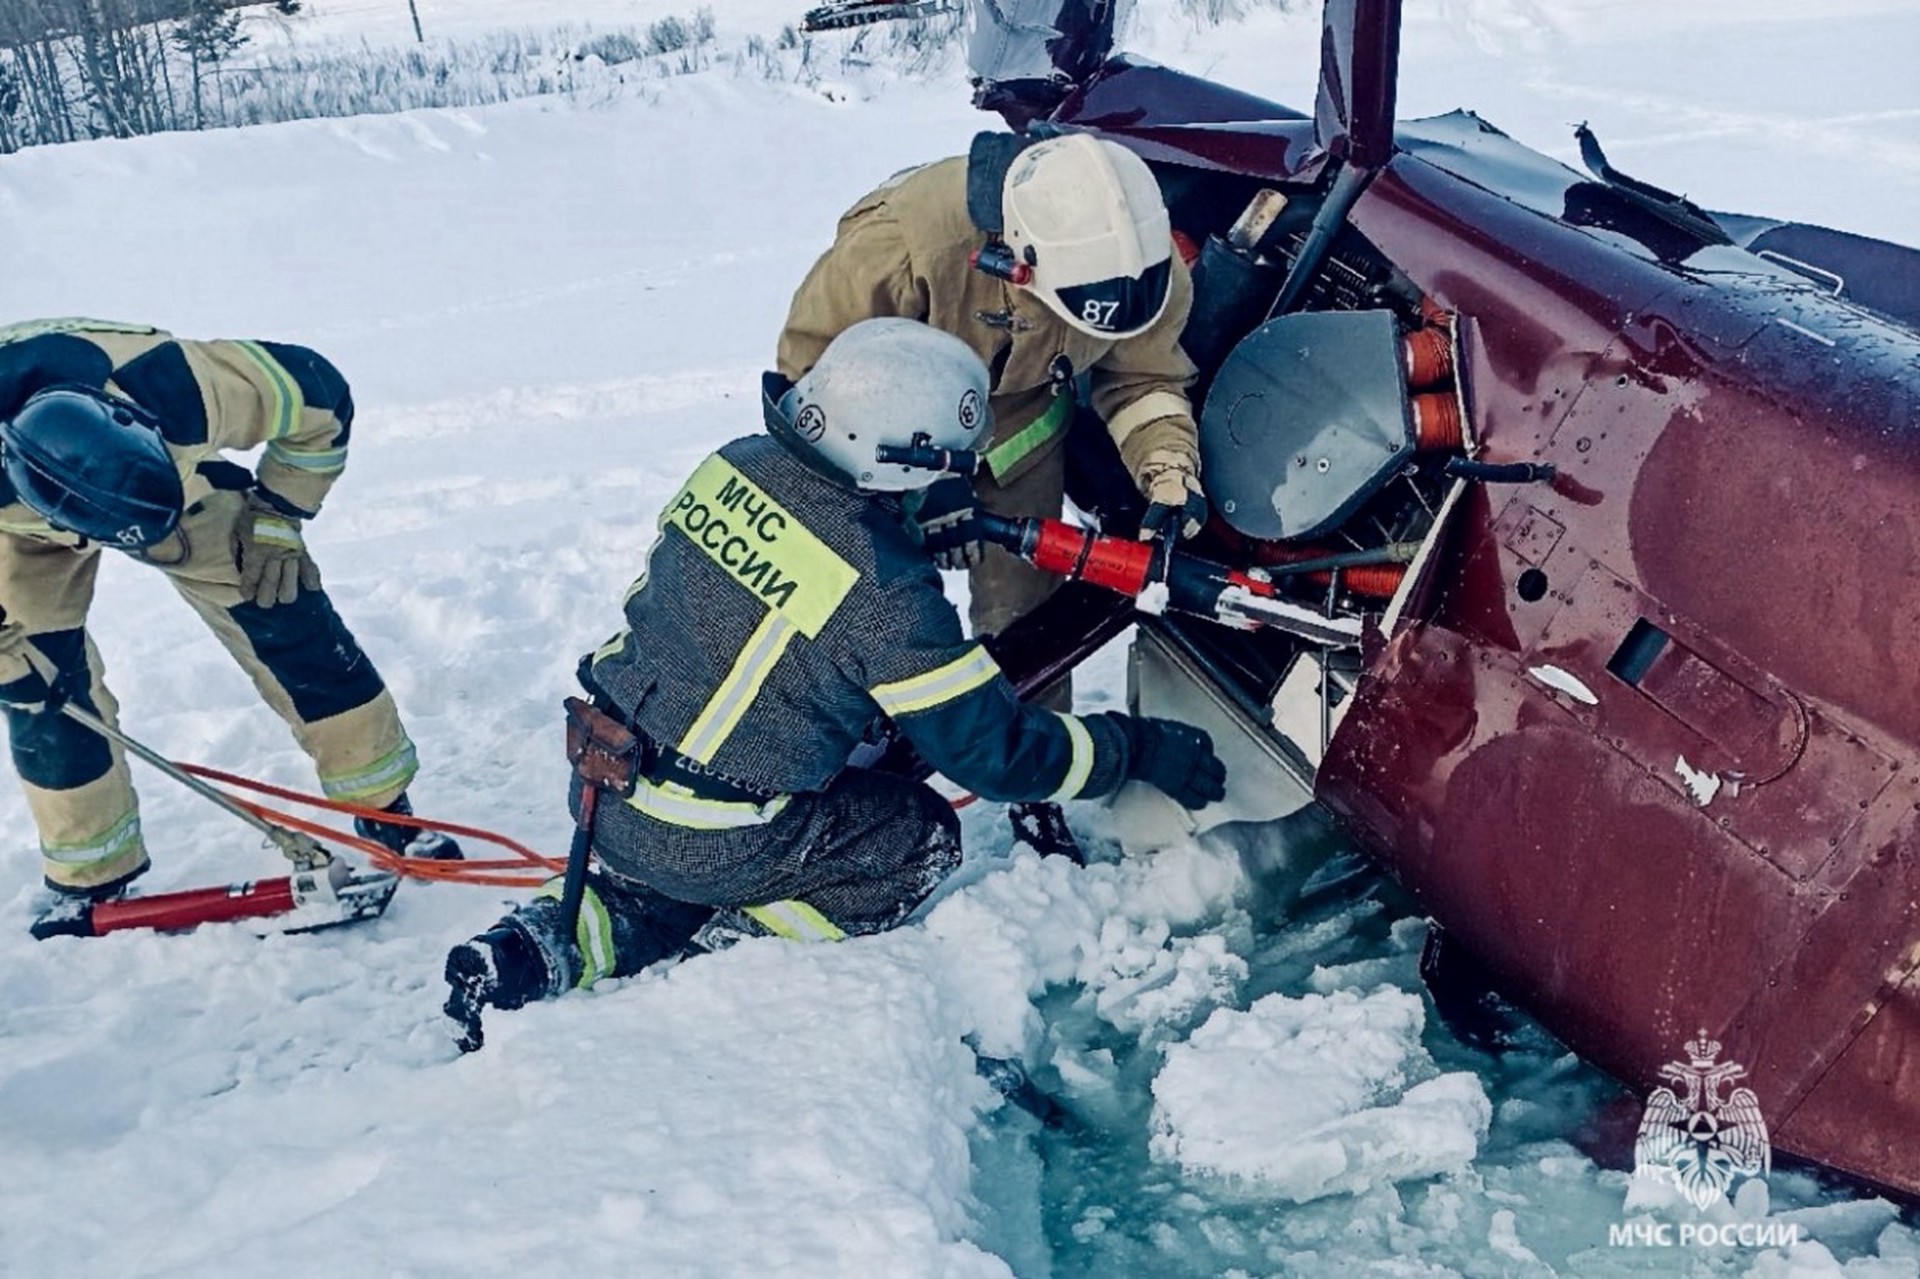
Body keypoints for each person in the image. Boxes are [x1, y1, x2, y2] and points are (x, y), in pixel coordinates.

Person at [443, 318, 1224, 1051]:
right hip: (711, 829)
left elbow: (786, 590)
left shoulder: (737, 463)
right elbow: (997, 756)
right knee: (913, 836)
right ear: (899, 468)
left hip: (606, 782)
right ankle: (733, 950)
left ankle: (533, 948)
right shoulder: (887, 596)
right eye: (950, 469)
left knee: (666, 870)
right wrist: (1135, 748)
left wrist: (902, 525)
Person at [776, 130, 1205, 863]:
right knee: (864, 609)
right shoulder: (903, 244)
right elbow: (811, 378)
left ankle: (1032, 787)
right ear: (1017, 260)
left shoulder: (1142, 267)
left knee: (1028, 614)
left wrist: (1168, 470)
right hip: (876, 435)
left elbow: (1141, 377)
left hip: (1017, 428)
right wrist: (922, 484)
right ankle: (828, 765)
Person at [0, 317, 459, 918]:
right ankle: (90, 870)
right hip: (16, 529)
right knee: (39, 689)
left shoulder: (183, 387)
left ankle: (385, 809)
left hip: (175, 489)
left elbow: (323, 397)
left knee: (284, 611)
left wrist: (276, 517)